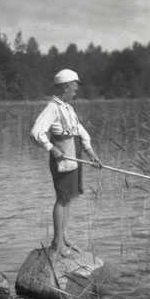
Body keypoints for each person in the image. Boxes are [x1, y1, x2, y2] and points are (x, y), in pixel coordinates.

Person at [30, 69, 102, 258]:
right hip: (62, 157)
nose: (76, 90)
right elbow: (37, 132)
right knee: (62, 198)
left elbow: (81, 131)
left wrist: (91, 153)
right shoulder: (52, 107)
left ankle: (64, 236)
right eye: (75, 85)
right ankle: (57, 243)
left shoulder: (68, 107)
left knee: (69, 197)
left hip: (73, 154)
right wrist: (51, 149)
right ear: (66, 86)